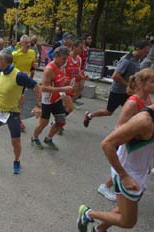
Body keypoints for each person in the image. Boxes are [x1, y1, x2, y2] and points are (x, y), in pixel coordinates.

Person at [77, 104, 154, 232]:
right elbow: (107, 144)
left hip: (141, 172)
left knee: (123, 209)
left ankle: (99, 229)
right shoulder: (144, 121)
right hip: (128, 174)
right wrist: (124, 176)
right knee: (128, 222)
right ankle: (87, 213)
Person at [97, 68, 154, 202]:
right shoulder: (132, 102)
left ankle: (109, 188)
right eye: (152, 82)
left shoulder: (148, 99)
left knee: (129, 168)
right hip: (127, 143)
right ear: (141, 83)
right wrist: (136, 133)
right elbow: (119, 127)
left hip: (139, 144)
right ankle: (107, 188)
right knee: (123, 168)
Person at [0, 49, 40, 174]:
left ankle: (16, 160)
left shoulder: (19, 76)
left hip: (12, 113)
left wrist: (38, 105)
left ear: (4, 61)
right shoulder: (0, 73)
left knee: (15, 141)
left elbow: (37, 87)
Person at [84, 40, 152, 127]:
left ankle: (128, 129)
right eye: (145, 52)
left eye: (147, 52)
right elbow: (115, 76)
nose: (146, 54)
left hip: (128, 92)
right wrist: (128, 85)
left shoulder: (137, 60)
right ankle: (89, 115)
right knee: (108, 112)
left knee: (134, 110)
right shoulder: (126, 60)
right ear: (138, 49)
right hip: (117, 91)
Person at [31, 46, 73, 150]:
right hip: (47, 101)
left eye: (66, 59)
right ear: (56, 56)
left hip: (57, 99)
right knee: (43, 123)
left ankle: (48, 138)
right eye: (63, 58)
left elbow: (59, 82)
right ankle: (34, 138)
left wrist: (67, 83)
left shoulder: (61, 67)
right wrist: (63, 88)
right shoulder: (49, 69)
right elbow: (44, 88)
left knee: (61, 122)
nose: (65, 61)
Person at [13, 35, 37, 131]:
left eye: (29, 42)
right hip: (15, 79)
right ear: (21, 43)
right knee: (18, 99)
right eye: (26, 43)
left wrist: (34, 66)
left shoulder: (32, 52)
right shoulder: (15, 54)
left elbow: (32, 66)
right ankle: (15, 118)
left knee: (20, 99)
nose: (28, 44)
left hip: (24, 80)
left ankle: (17, 118)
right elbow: (10, 68)